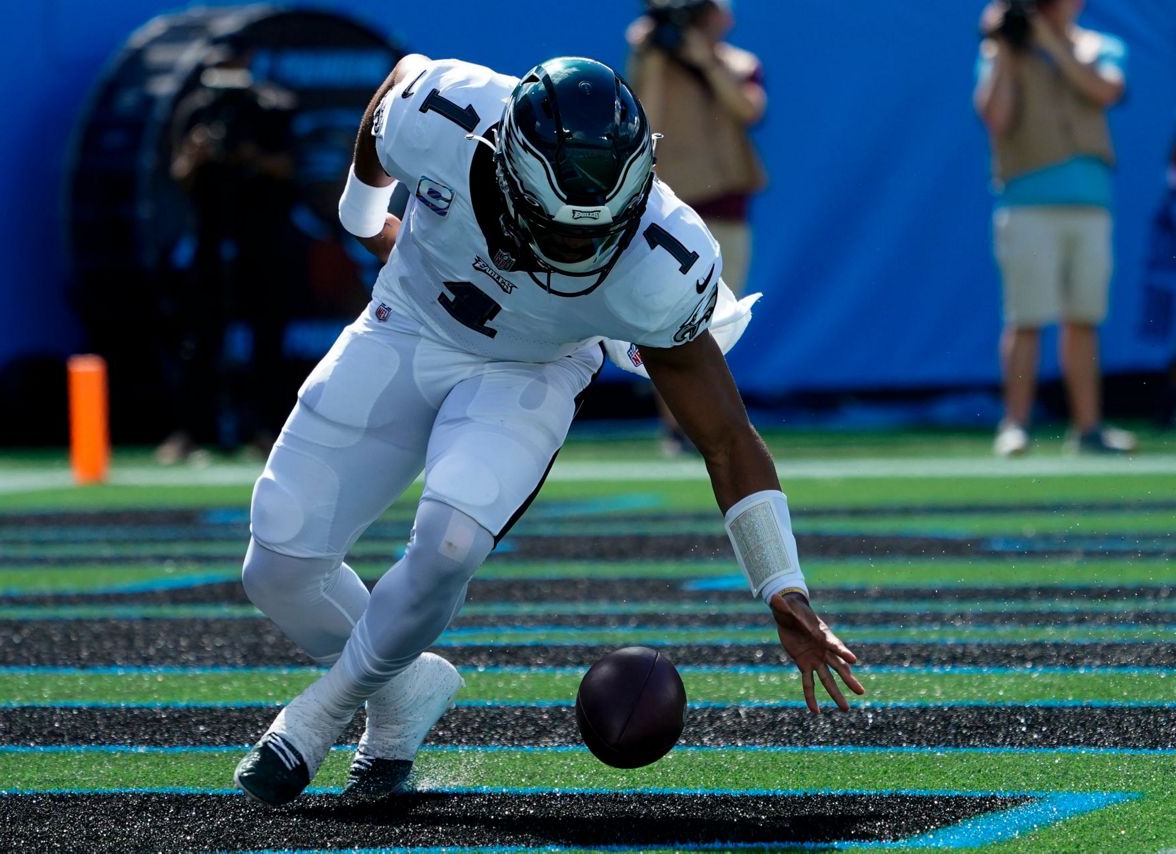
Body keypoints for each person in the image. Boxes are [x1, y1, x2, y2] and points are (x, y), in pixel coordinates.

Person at [233, 55, 863, 807]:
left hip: (529, 370)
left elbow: (725, 436)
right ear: (504, 169)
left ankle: (321, 715)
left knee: (452, 538)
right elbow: (388, 103)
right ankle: (403, 689)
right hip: (407, 323)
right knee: (277, 560)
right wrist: (362, 218)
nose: (577, 250)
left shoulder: (661, 259)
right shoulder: (445, 113)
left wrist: (780, 582)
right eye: (556, 231)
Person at [974, 0, 1136, 456]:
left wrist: (1051, 43)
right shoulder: (1001, 51)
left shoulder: (1100, 45)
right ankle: (1015, 425)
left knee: (1083, 318)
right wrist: (1006, 50)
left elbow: (1104, 90)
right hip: (1026, 203)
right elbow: (995, 117)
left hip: (1090, 203)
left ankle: (1088, 428)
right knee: (1025, 319)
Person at [627, 0, 768, 455]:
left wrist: (705, 61)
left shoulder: (739, 64)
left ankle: (704, 421)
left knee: (719, 317)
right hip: (670, 200)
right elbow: (643, 119)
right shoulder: (652, 57)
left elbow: (749, 111)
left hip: (726, 201)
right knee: (671, 316)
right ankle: (677, 426)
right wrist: (652, 57)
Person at [156, 46, 299, 464]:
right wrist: (198, 155)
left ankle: (268, 430)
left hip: (263, 237)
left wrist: (251, 154)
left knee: (267, 340)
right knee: (200, 337)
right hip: (211, 235)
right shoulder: (196, 109)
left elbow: (289, 167)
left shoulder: (272, 106)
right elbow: (179, 174)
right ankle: (190, 432)